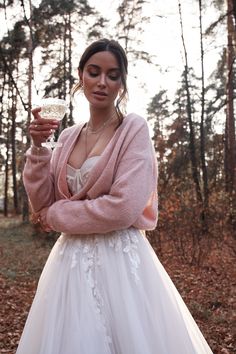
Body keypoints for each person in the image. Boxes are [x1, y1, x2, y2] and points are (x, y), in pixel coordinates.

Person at [16, 38, 213, 354]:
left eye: (113, 75)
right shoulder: (66, 137)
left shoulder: (133, 129)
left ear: (122, 82)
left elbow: (122, 209)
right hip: (70, 264)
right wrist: (39, 148)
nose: (102, 82)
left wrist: (55, 216)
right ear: (81, 75)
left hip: (121, 262)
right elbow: (41, 200)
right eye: (94, 72)